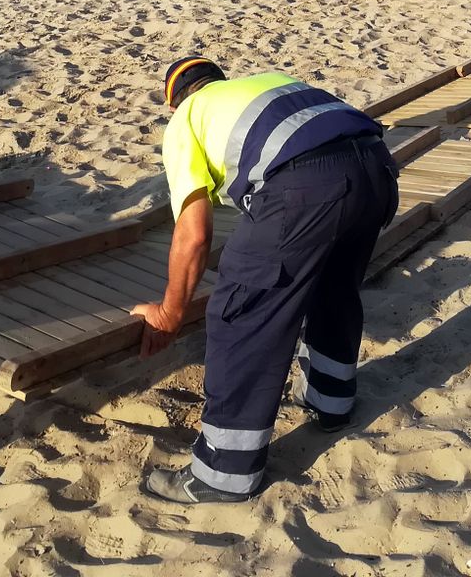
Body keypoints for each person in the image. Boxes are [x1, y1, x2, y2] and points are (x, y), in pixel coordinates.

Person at [135, 58, 399, 504]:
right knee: (333, 287)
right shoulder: (268, 85)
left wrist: (169, 312)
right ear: (219, 80)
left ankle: (223, 473)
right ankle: (331, 401)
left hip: (307, 185)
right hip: (376, 169)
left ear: (173, 100)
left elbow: (194, 233)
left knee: (242, 312)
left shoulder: (186, 118)